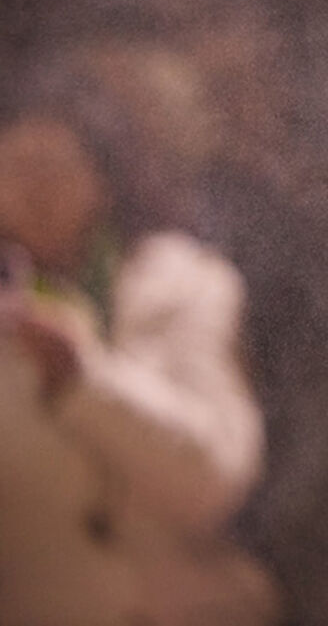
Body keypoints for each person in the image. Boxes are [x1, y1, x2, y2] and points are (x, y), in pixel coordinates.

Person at [0, 111, 279, 626]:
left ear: (101, 174)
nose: (36, 189)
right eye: (15, 167)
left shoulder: (183, 283)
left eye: (54, 166)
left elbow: (215, 479)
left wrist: (82, 378)